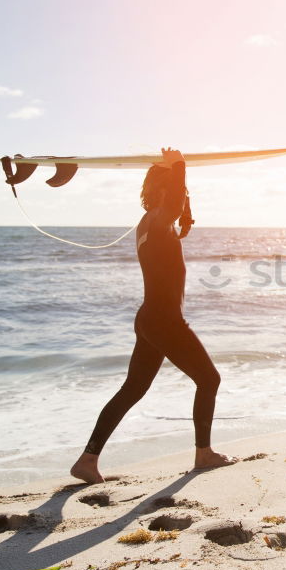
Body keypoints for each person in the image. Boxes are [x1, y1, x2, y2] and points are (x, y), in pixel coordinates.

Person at [70, 147, 236, 484]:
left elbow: (177, 205)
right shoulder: (160, 217)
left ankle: (87, 460)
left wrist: (185, 205)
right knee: (209, 380)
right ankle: (204, 454)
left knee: (132, 389)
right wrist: (179, 165)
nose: (182, 194)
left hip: (149, 319)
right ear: (163, 189)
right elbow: (173, 202)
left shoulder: (149, 223)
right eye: (177, 189)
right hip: (164, 320)